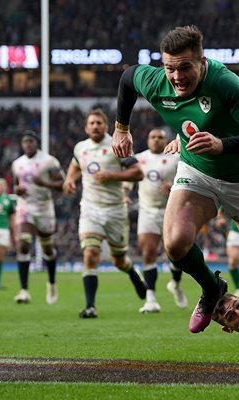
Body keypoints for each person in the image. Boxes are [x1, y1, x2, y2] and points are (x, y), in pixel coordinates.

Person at [111, 25, 239, 369]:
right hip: (197, 172)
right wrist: (121, 127)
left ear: (202, 62)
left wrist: (222, 144)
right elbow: (128, 77)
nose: (176, 76)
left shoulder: (224, 84)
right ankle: (212, 288)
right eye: (170, 68)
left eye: (184, 67)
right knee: (174, 244)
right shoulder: (158, 81)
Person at [63, 108, 147, 319]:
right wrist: (69, 180)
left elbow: (138, 173)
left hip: (115, 210)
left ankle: (132, 272)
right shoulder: (80, 148)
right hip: (90, 209)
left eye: (99, 123)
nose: (95, 126)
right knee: (90, 254)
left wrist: (111, 175)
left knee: (119, 260)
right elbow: (75, 166)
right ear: (86, 127)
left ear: (106, 126)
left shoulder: (116, 146)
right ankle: (90, 306)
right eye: (91, 123)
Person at [133, 128, 186, 313]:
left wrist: (175, 185)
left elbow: (189, 177)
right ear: (147, 140)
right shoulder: (139, 158)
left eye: (160, 137)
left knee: (176, 255)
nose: (156, 140)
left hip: (172, 210)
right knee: (148, 251)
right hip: (147, 211)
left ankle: (175, 284)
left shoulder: (177, 157)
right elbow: (128, 179)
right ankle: (151, 298)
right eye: (152, 137)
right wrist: (124, 194)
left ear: (166, 140)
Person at [11, 130, 65, 305]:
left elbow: (62, 184)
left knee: (47, 249)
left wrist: (45, 184)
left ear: (37, 143)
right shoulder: (17, 164)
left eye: (31, 141)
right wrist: (16, 190)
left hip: (44, 208)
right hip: (25, 207)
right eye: (25, 142)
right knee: (23, 243)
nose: (28, 144)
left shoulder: (49, 161)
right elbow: (15, 184)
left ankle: (51, 283)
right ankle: (24, 290)